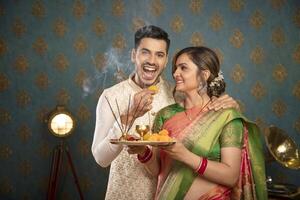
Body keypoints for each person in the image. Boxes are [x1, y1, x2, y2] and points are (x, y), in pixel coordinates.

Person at [91, 26, 239, 200]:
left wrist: (228, 104)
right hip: (123, 194)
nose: (152, 61)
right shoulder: (111, 96)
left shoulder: (177, 95)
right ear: (133, 55)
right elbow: (101, 159)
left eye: (159, 55)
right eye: (145, 52)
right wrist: (130, 115)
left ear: (166, 59)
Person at [133, 46, 267, 199]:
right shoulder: (165, 115)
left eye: (183, 68)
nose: (176, 73)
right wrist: (143, 152)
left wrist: (185, 156)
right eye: (175, 68)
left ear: (204, 75)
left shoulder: (226, 117)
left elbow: (231, 177)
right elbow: (157, 170)